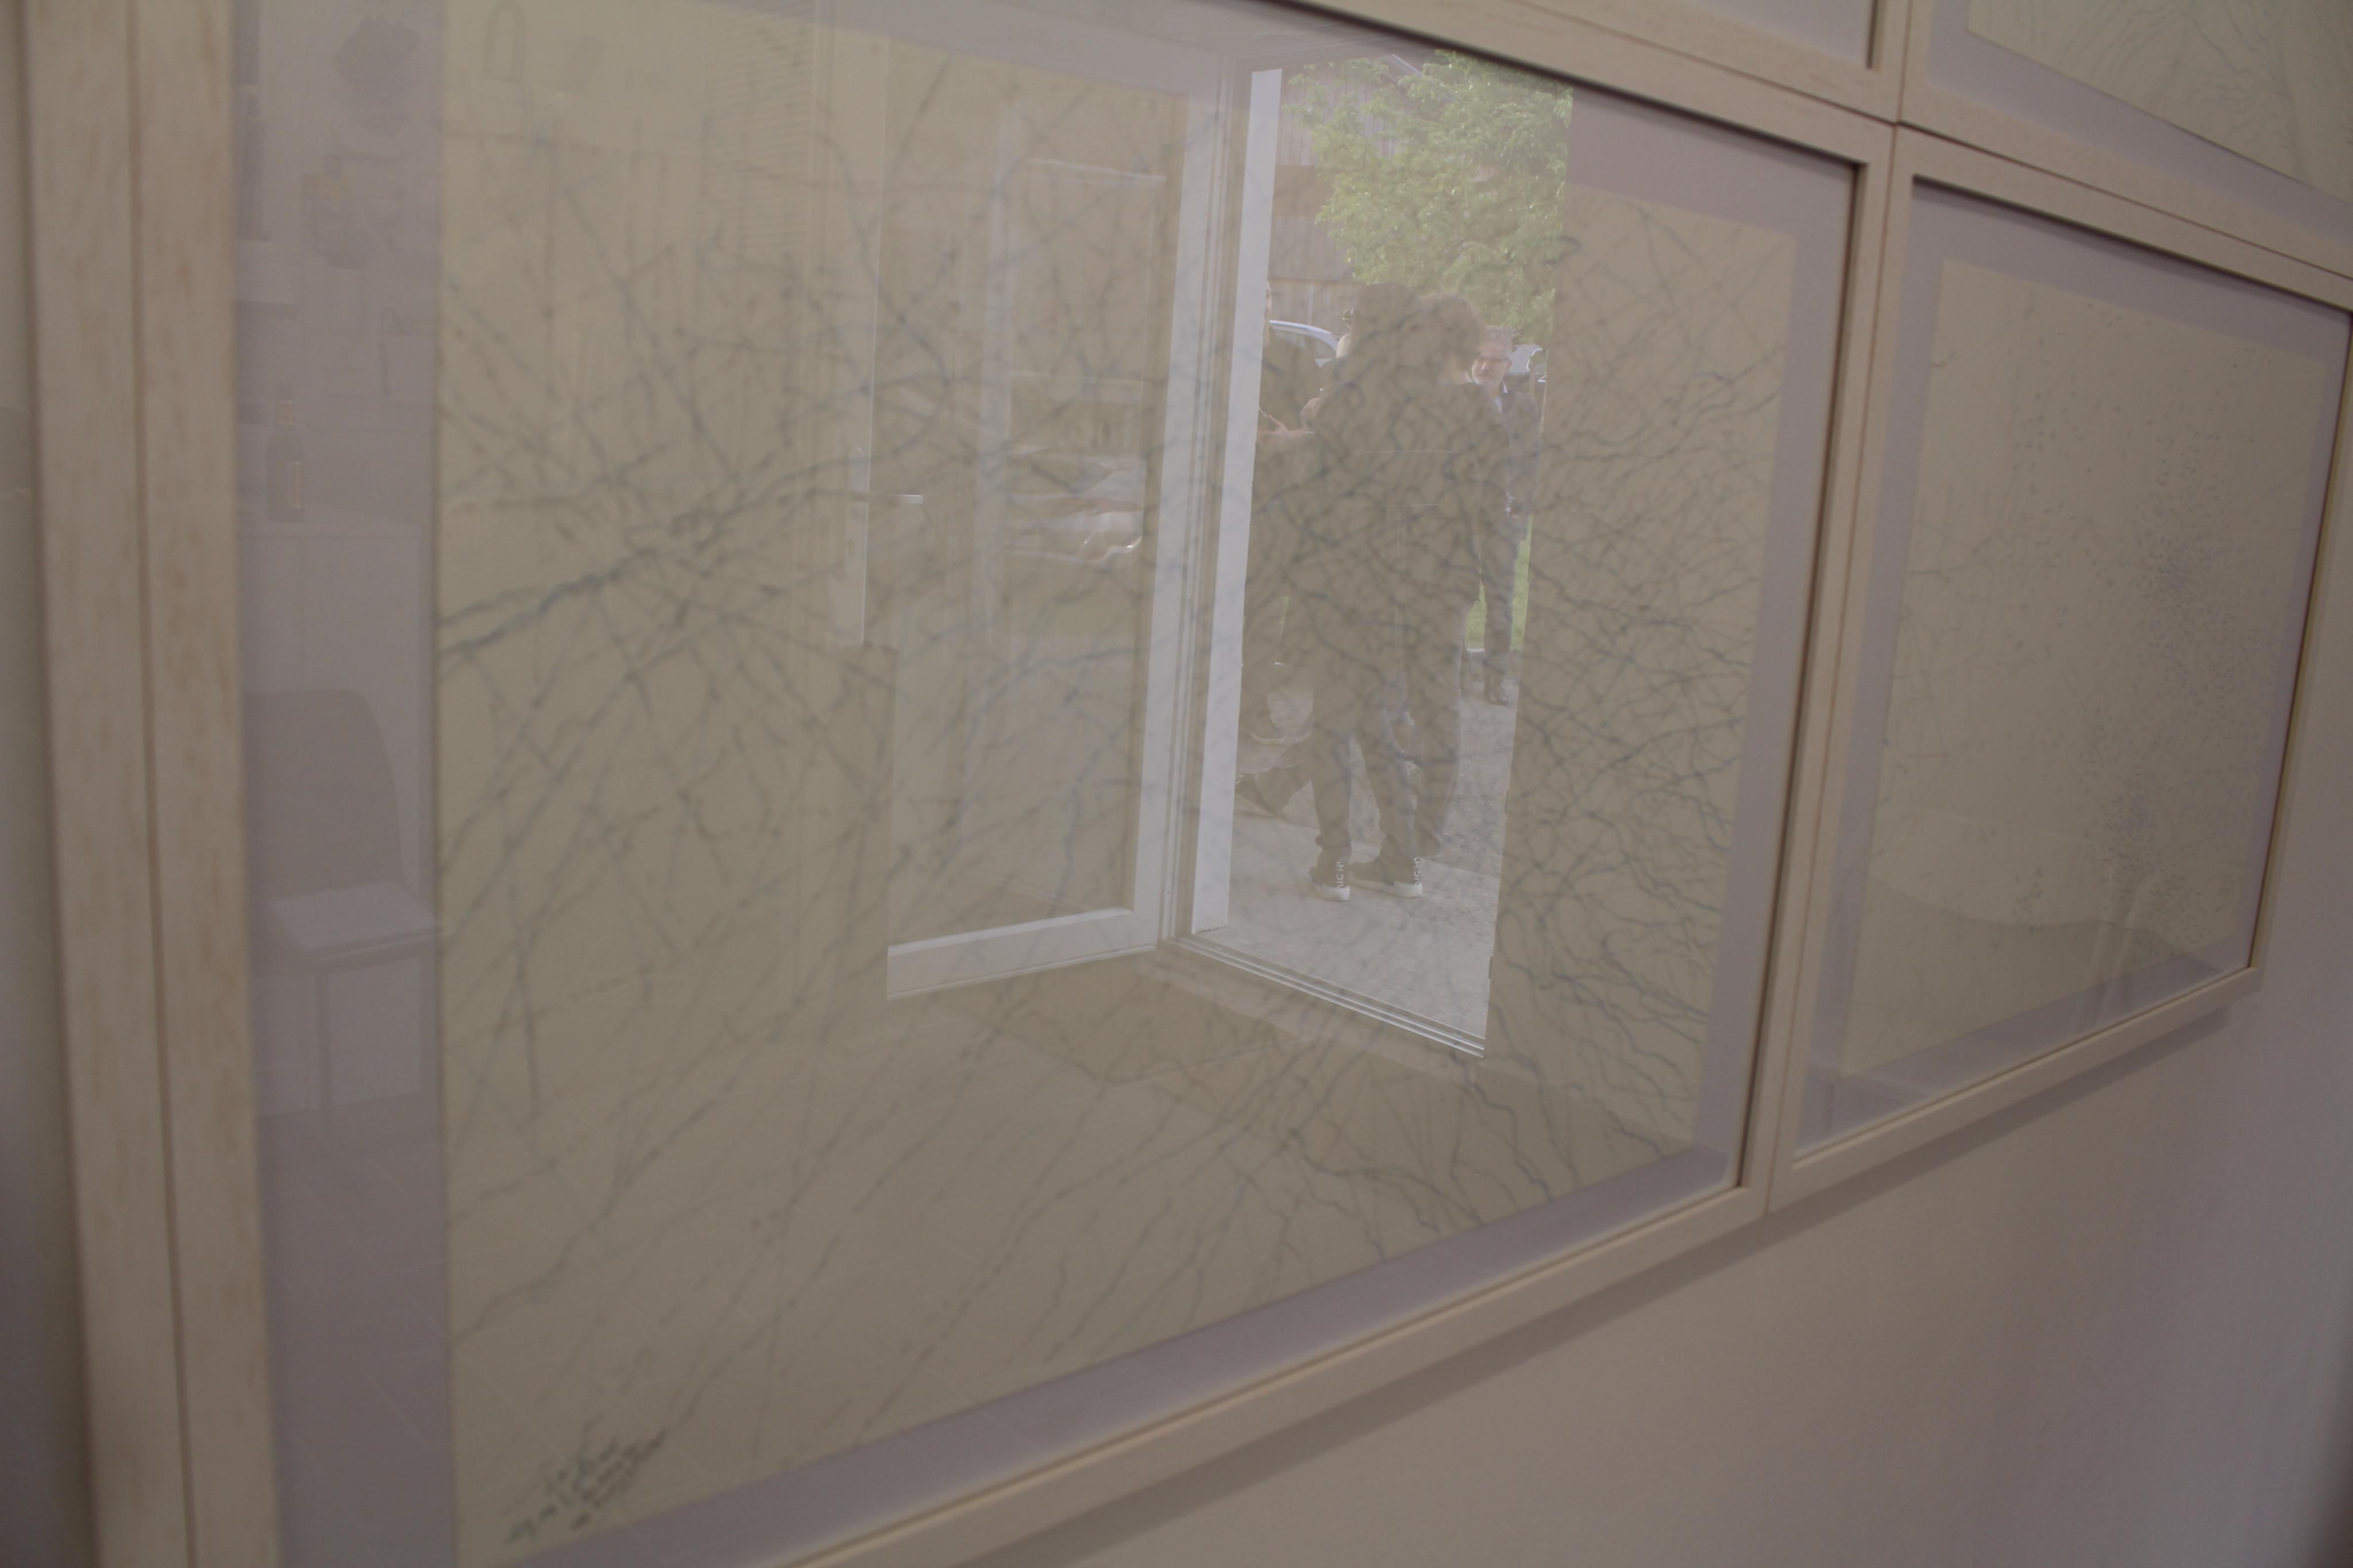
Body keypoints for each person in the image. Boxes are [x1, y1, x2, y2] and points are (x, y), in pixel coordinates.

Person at [1284, 291, 1504, 902]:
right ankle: (1407, 853)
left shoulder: (1380, 396)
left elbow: (1343, 474)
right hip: (1434, 578)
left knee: (1343, 715)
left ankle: (1338, 859)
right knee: (1396, 715)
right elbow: (1489, 509)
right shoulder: (1473, 413)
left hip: (1365, 576)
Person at [1469, 326, 1542, 704]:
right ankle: (1453, 679)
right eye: (1480, 358)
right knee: (1454, 601)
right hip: (1461, 520)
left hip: (1505, 521)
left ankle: (1494, 681)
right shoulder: (1456, 402)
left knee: (1500, 603)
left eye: (1495, 360)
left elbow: (1532, 461)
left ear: (1508, 365)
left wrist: (1520, 509)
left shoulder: (1523, 407)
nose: (1485, 366)